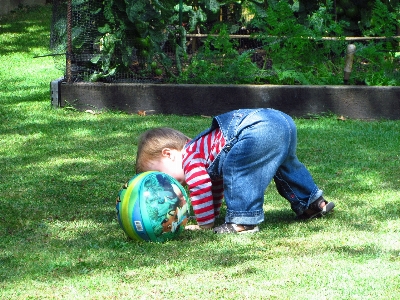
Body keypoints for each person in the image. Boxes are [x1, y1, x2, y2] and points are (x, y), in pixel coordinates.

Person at [135, 108, 335, 234]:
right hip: (282, 120)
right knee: (284, 165)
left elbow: (201, 186)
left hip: (257, 128)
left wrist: (205, 224)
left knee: (237, 167)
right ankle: (313, 203)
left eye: (162, 175)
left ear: (169, 154)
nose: (166, 183)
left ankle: (244, 221)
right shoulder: (202, 151)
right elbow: (216, 186)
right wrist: (211, 214)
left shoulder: (189, 158)